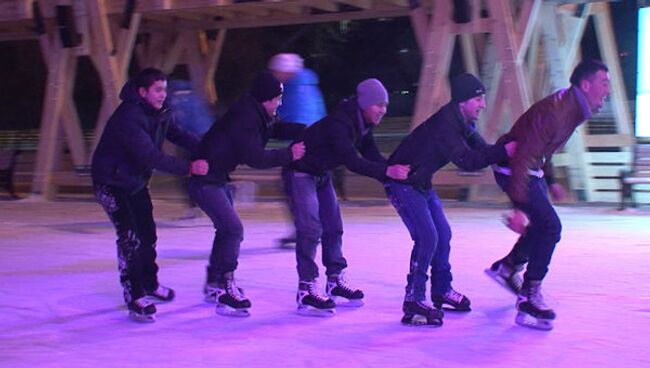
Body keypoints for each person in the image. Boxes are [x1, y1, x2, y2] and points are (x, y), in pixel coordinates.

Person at [485, 59, 611, 330]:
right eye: (604, 83)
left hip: (530, 169)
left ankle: (508, 267)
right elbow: (523, 155)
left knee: (543, 226)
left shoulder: (571, 107)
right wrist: (518, 207)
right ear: (586, 85)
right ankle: (529, 295)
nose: (607, 90)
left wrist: (551, 180)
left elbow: (544, 148)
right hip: (514, 168)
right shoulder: (558, 111)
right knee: (551, 227)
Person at [385, 73, 516, 327]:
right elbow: (468, 162)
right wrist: (504, 152)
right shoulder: (446, 126)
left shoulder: (462, 122)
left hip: (420, 184)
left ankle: (441, 291)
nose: (483, 104)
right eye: (478, 99)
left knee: (442, 234)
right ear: (463, 101)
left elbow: (483, 151)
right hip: (402, 184)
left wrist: (506, 153)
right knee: (427, 237)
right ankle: (414, 299)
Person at [283, 78, 410, 316]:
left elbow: (371, 155)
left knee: (333, 227)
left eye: (385, 105)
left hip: (320, 173)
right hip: (300, 172)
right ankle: (306, 288)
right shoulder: (340, 123)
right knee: (311, 229)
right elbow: (353, 161)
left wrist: (394, 173)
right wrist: (386, 173)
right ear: (364, 103)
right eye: (378, 105)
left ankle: (334, 281)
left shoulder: (363, 123)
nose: (383, 110)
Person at [91, 67, 209, 322]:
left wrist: (209, 147)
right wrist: (189, 168)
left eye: (164, 90)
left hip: (134, 182)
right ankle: (134, 294)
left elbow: (179, 135)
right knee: (130, 236)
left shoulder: (162, 113)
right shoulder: (128, 117)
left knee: (147, 234)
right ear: (142, 91)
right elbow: (150, 156)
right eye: (157, 90)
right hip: (110, 182)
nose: (162, 95)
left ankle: (149, 283)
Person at [188, 72, 306, 317]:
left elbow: (276, 128)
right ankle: (224, 286)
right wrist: (288, 155)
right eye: (277, 99)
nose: (280, 103)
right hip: (204, 178)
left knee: (226, 230)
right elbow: (255, 157)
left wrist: (305, 130)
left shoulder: (259, 113)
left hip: (217, 176)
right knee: (232, 230)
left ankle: (214, 284)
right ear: (266, 99)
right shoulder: (245, 117)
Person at [267, 53, 328, 248]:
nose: (274, 75)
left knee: (295, 186)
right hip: (318, 144)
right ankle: (310, 227)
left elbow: (287, 120)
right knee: (307, 187)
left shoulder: (293, 90)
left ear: (286, 71)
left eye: (276, 72)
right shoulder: (310, 86)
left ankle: (307, 230)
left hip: (302, 147)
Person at [167, 79, 215, 220]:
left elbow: (175, 122)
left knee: (184, 172)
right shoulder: (196, 98)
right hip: (208, 139)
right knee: (206, 172)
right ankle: (222, 199)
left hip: (188, 140)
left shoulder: (174, 100)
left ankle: (193, 208)